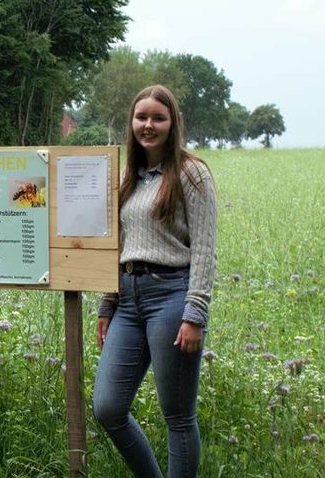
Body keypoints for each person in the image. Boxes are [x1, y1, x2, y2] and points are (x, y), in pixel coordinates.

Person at [92, 85, 217, 477]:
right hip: (127, 299)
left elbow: (204, 249)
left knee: (178, 415)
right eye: (141, 117)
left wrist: (195, 315)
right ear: (131, 123)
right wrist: (107, 305)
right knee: (108, 407)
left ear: (172, 123)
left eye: (158, 118)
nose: (148, 125)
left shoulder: (191, 174)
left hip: (171, 297)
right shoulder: (128, 176)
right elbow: (117, 244)